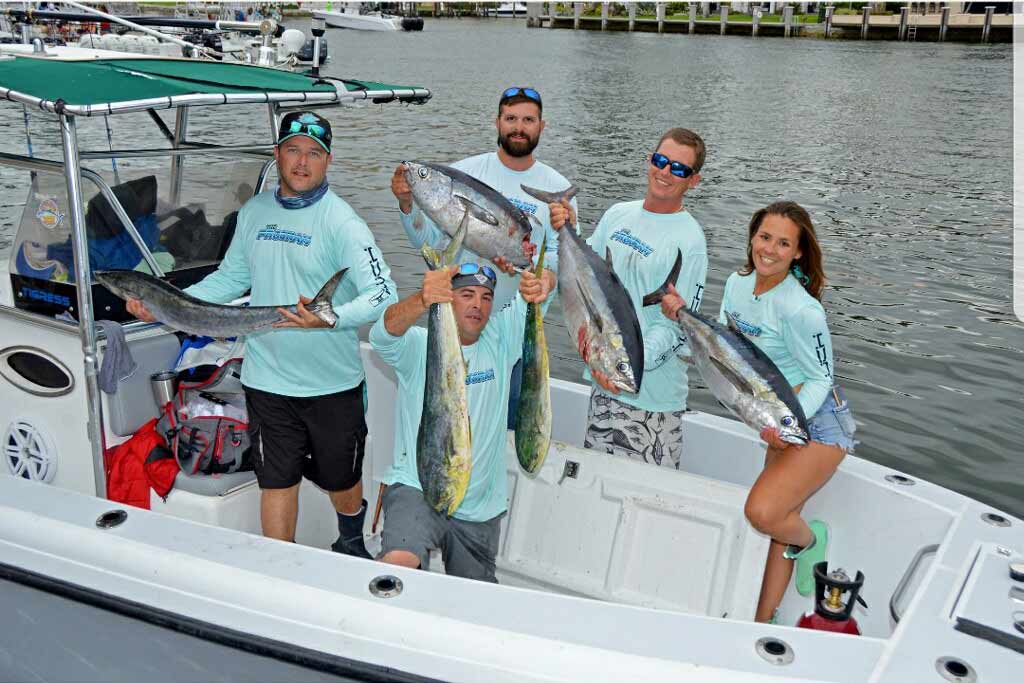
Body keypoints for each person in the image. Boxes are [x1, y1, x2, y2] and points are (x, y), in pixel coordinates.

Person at [126, 111, 397, 559]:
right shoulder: (253, 213)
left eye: (314, 153)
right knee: (277, 478)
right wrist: (165, 306)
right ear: (277, 156)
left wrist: (330, 318)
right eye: (293, 150)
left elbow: (383, 293)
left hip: (331, 383)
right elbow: (229, 280)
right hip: (266, 379)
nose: (302, 162)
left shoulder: (344, 224)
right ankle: (281, 565)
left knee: (342, 479)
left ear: (328, 161)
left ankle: (350, 540)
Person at [662, 200, 857, 623]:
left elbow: (821, 378)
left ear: (798, 252)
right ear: (752, 236)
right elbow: (725, 345)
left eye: (783, 243)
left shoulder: (802, 310)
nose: (769, 249)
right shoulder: (736, 284)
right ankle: (763, 621)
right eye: (764, 237)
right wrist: (681, 315)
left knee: (763, 513)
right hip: (771, 414)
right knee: (776, 522)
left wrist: (785, 425)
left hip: (815, 422)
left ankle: (808, 542)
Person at [390, 86, 577, 427]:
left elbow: (556, 262)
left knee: (503, 438)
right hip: (458, 332)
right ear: (497, 122)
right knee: (450, 431)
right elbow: (429, 243)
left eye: (528, 120)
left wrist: (544, 280)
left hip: (517, 340)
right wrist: (406, 203)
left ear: (542, 126)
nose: (518, 127)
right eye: (511, 119)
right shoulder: (462, 172)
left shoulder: (558, 189)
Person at [369, 260, 554, 582]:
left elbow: (542, 286)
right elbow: (381, 336)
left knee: (476, 601)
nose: (477, 305)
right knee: (397, 569)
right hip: (418, 486)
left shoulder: (501, 338)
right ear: (448, 297)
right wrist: (422, 299)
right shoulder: (416, 345)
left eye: (486, 297)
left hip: (479, 506)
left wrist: (544, 281)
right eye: (466, 294)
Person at [549, 128, 708, 470]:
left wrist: (623, 367)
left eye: (678, 169)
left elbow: (680, 327)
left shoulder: (690, 240)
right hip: (603, 386)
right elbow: (585, 278)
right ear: (649, 160)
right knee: (597, 488)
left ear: (693, 181)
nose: (665, 173)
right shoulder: (619, 213)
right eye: (661, 161)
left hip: (651, 401)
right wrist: (567, 228)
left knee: (645, 501)